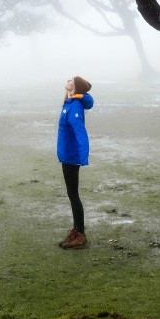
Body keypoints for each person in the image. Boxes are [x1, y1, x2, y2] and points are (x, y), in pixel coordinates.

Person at [56, 75, 94, 248]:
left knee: (73, 195)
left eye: (71, 79)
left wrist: (83, 155)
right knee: (72, 194)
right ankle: (76, 231)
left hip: (72, 156)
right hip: (66, 155)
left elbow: (80, 130)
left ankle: (80, 235)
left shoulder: (75, 106)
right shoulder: (70, 103)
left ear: (76, 86)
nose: (67, 80)